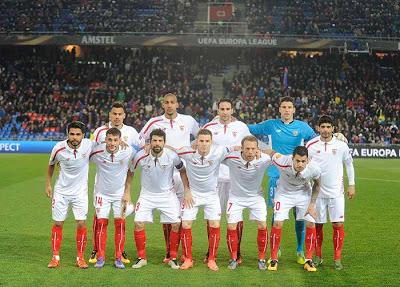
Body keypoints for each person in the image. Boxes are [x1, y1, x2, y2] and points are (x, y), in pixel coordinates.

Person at [248, 96, 316, 264]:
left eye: (289, 107)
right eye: (283, 107)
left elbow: (316, 141)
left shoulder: (302, 127)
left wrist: (334, 137)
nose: (286, 110)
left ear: (294, 110)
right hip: (276, 175)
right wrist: (230, 122)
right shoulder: (271, 124)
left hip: (298, 175)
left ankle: (300, 249)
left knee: (299, 215)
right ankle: (275, 247)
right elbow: (250, 128)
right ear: (279, 109)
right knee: (276, 214)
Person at [139, 92, 199, 263]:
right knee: (169, 215)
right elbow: (139, 138)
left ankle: (184, 253)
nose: (170, 105)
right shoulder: (154, 122)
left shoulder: (188, 120)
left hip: (183, 172)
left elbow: (202, 135)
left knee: (184, 214)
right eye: (167, 102)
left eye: (173, 102)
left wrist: (189, 148)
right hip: (164, 172)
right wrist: (146, 145)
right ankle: (169, 251)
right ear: (162, 104)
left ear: (177, 104)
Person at [123, 129, 190, 269]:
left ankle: (172, 258)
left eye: (160, 141)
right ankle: (142, 258)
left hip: (168, 195)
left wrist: (187, 190)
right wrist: (127, 193)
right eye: (154, 140)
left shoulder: (172, 156)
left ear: (164, 143)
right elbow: (130, 173)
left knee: (176, 224)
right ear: (150, 142)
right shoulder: (140, 156)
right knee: (138, 223)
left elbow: (183, 171)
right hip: (147, 195)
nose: (157, 143)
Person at [90, 102, 143, 264]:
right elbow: (89, 149)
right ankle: (96, 250)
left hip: (121, 182)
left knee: (121, 218)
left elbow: (141, 149)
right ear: (110, 115)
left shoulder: (132, 132)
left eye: (120, 114)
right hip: (102, 182)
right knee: (99, 217)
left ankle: (120, 252)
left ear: (124, 115)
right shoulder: (99, 131)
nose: (117, 116)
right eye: (114, 114)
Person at [177, 129, 233, 271]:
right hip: (192, 195)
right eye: (201, 141)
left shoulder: (219, 152)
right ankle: (188, 259)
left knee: (214, 224)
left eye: (207, 141)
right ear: (196, 142)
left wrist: (257, 150)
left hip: (211, 195)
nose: (203, 144)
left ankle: (211, 259)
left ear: (211, 142)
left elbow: (236, 148)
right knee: (186, 224)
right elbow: (171, 151)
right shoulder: (187, 152)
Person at [203, 98, 251, 263]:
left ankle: (237, 253)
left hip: (235, 178)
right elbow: (201, 147)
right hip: (214, 178)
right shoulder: (209, 127)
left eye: (227, 109)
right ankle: (210, 250)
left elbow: (251, 145)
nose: (224, 112)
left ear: (232, 110)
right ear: (217, 110)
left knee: (235, 215)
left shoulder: (241, 127)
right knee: (211, 215)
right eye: (221, 109)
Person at [306, 115, 356, 270]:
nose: (326, 130)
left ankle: (337, 258)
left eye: (329, 127)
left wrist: (352, 185)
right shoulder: (311, 145)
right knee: (318, 225)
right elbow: (305, 166)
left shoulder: (341, 145)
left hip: (337, 192)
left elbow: (349, 165)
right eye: (323, 127)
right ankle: (318, 256)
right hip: (317, 193)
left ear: (333, 128)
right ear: (318, 128)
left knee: (338, 224)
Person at [46, 121, 93, 269]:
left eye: (78, 134)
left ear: (83, 136)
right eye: (72, 134)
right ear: (67, 134)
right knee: (58, 223)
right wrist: (48, 184)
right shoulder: (58, 148)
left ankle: (80, 257)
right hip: (61, 191)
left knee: (81, 223)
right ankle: (55, 257)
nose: (74, 137)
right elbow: (51, 164)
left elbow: (108, 140)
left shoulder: (89, 145)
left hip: (80, 192)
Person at [267, 146, 321, 272]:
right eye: (297, 161)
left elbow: (318, 185)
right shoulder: (282, 161)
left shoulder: (314, 168)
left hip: (303, 194)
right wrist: (258, 151)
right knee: (277, 222)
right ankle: (274, 258)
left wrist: (312, 204)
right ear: (292, 159)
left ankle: (308, 260)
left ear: (308, 160)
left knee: (311, 223)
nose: (300, 164)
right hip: (284, 193)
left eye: (303, 161)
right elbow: (271, 152)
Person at [223, 136, 272, 270]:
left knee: (262, 225)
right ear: (242, 148)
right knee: (231, 226)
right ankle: (233, 258)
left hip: (256, 197)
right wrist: (231, 148)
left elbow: (280, 160)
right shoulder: (231, 158)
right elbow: (216, 155)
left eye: (253, 149)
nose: (250, 152)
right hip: (236, 197)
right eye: (247, 149)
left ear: (257, 149)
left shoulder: (264, 159)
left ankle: (262, 259)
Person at [89, 128, 135, 269]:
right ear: (105, 140)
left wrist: (127, 192)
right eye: (109, 139)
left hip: (119, 196)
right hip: (102, 195)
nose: (112, 143)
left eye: (115, 140)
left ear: (120, 140)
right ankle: (101, 257)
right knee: (102, 224)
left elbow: (132, 170)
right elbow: (83, 157)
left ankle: (118, 257)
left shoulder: (129, 151)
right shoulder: (97, 152)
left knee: (120, 225)